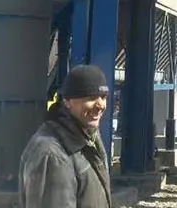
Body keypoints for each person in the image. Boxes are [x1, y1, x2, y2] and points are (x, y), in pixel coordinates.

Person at [19, 64, 112, 208]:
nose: (100, 105)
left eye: (103, 97)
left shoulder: (88, 137)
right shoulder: (52, 155)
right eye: (92, 97)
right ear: (67, 102)